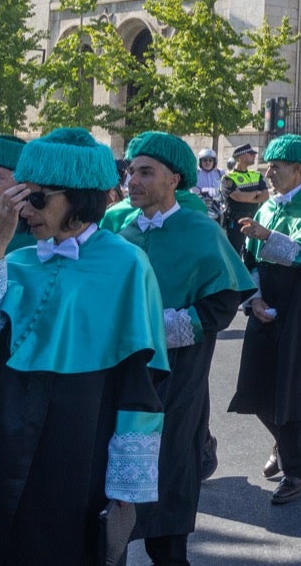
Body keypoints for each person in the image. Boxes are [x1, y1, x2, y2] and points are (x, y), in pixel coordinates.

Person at [0, 127, 168, 562]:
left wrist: (126, 486)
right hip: (7, 429)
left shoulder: (126, 263)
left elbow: (141, 381)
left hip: (84, 432)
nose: (25, 211)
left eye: (38, 198)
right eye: (22, 197)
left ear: (81, 199)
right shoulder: (17, 259)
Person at [115, 132, 255, 566]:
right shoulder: (114, 227)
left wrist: (164, 328)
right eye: (130, 171)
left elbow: (222, 301)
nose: (131, 181)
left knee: (170, 469)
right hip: (118, 374)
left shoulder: (200, 230)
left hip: (177, 376)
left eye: (145, 172)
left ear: (173, 179)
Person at [228, 134, 301, 505]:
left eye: (276, 167)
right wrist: (255, 299)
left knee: (295, 388)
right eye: (267, 165)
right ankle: (283, 442)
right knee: (258, 384)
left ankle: (295, 470)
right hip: (266, 307)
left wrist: (267, 236)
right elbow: (250, 261)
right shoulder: (267, 206)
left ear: (298, 170)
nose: (269, 172)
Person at [221, 143, 267, 262]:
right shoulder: (228, 178)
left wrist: (248, 196)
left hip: (254, 222)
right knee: (233, 257)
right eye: (251, 154)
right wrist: (255, 194)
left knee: (252, 256)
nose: (254, 156)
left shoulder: (256, 175)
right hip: (235, 224)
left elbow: (265, 196)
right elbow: (237, 196)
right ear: (241, 157)